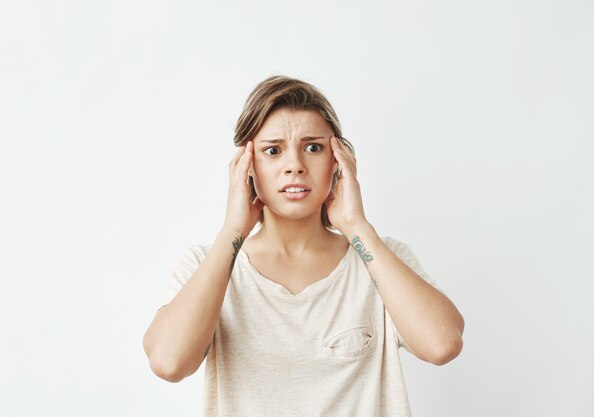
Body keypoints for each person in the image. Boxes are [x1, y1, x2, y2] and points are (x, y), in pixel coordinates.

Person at [143, 75, 465, 416]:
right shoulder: (205, 266)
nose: (294, 165)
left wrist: (357, 226)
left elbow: (442, 345)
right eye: (273, 150)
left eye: (313, 147)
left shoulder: (382, 260)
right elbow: (169, 362)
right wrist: (232, 232)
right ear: (247, 166)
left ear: (339, 160)